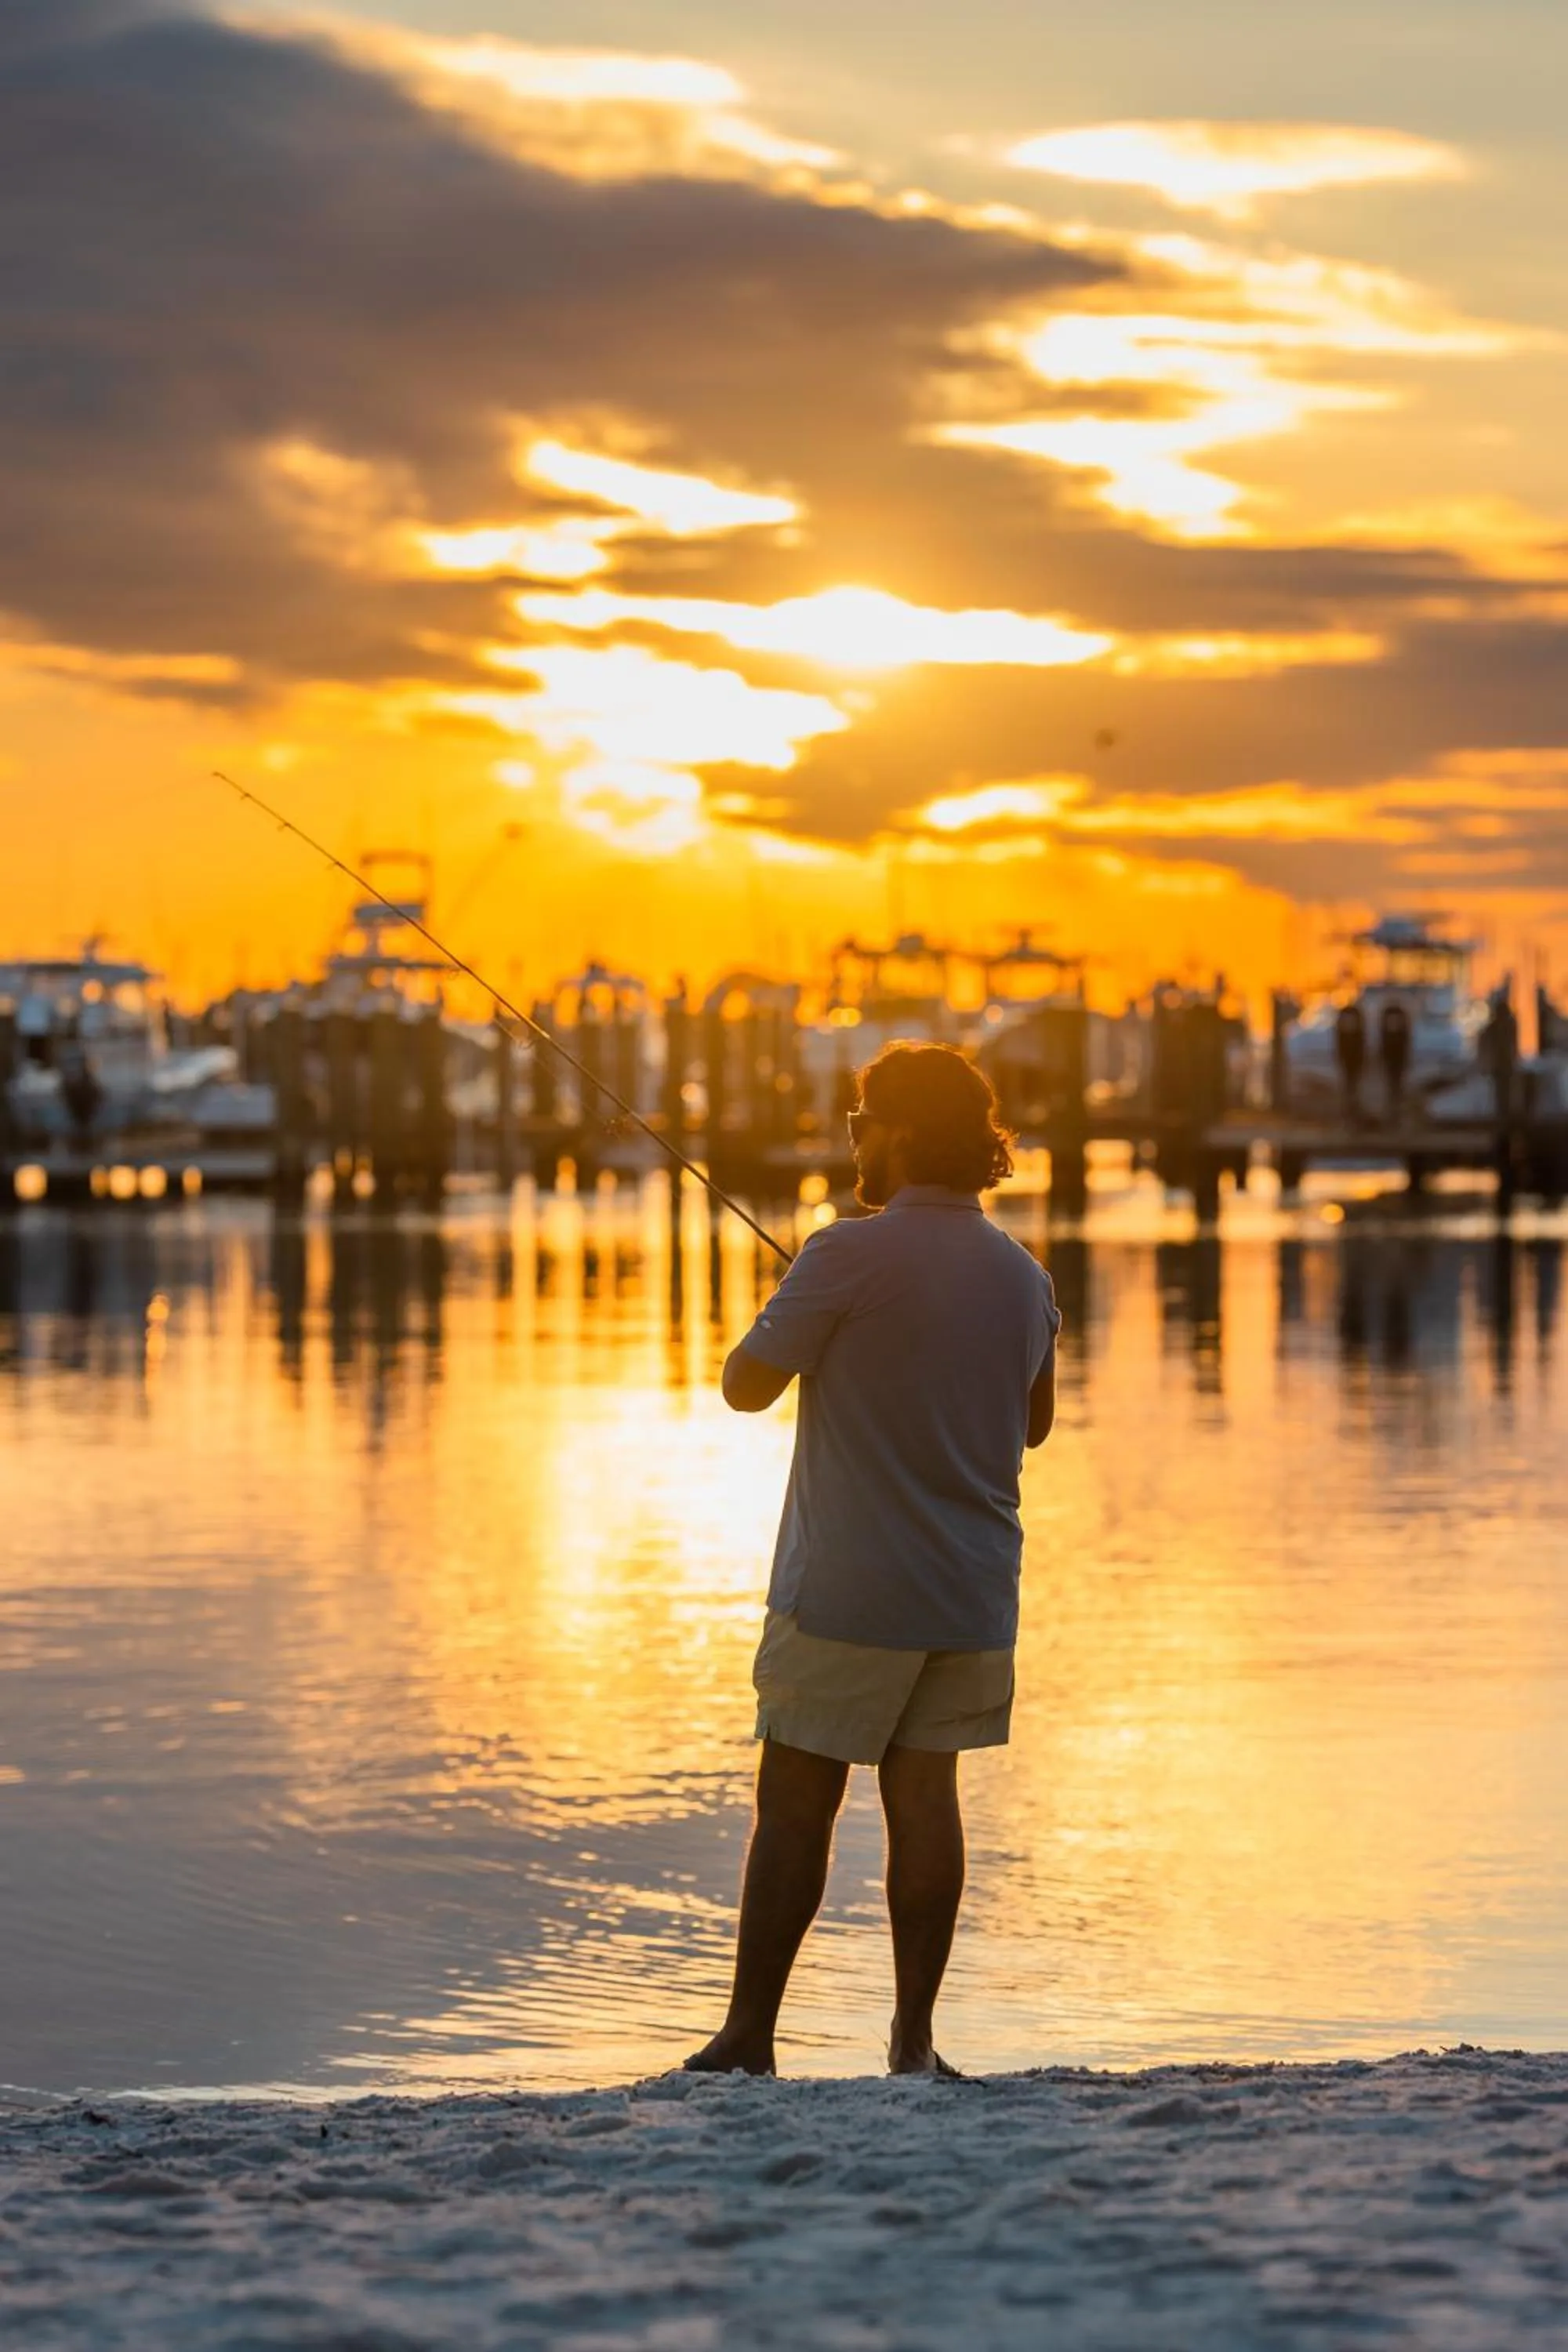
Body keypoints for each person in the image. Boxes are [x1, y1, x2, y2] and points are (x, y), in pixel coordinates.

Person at [685, 1041, 1061, 2079]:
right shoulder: (1024, 1277)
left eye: (859, 1123)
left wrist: (814, 1302)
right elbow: (1032, 1425)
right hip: (970, 1594)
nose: (851, 1140)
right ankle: (914, 2045)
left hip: (848, 1587)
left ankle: (749, 2036)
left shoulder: (840, 1254)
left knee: (797, 1805)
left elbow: (743, 1387)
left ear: (899, 1133)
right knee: (925, 1802)